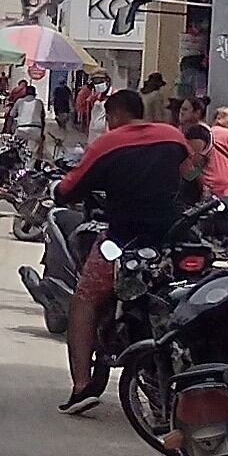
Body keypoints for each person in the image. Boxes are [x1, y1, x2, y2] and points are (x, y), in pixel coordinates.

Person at [50, 85, 198, 413]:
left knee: (84, 301)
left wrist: (60, 189)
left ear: (115, 115)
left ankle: (81, 385)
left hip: (122, 241)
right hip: (172, 240)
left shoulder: (106, 144)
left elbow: (68, 189)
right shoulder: (172, 136)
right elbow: (192, 179)